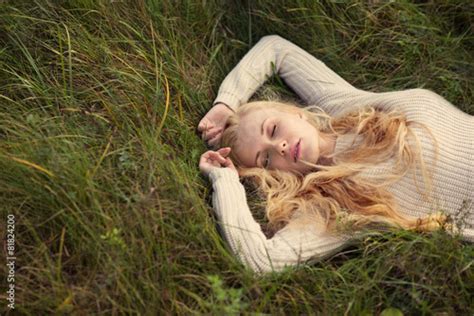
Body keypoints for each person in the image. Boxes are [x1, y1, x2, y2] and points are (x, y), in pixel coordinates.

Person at [197, 35, 474, 274]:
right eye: (266, 159)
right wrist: (225, 181)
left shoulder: (344, 106)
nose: (279, 146)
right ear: (272, 175)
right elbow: (260, 260)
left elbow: (276, 49)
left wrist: (226, 102)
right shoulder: (331, 205)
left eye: (273, 129)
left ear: (294, 111)